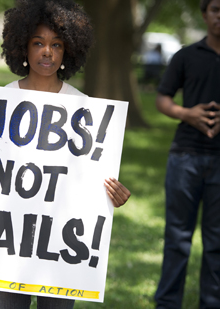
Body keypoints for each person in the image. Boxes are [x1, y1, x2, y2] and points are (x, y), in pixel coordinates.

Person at [0, 0, 131, 308]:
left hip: (59, 249)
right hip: (6, 247)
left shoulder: (84, 110)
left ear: (68, 50)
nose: (47, 52)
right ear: (22, 48)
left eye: (56, 44)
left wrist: (112, 195)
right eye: (38, 43)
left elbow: (88, 179)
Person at [154, 1, 220, 308]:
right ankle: (168, 303)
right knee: (177, 239)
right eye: (217, 8)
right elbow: (162, 99)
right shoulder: (186, 55)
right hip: (185, 157)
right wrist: (187, 113)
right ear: (204, 13)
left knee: (217, 243)